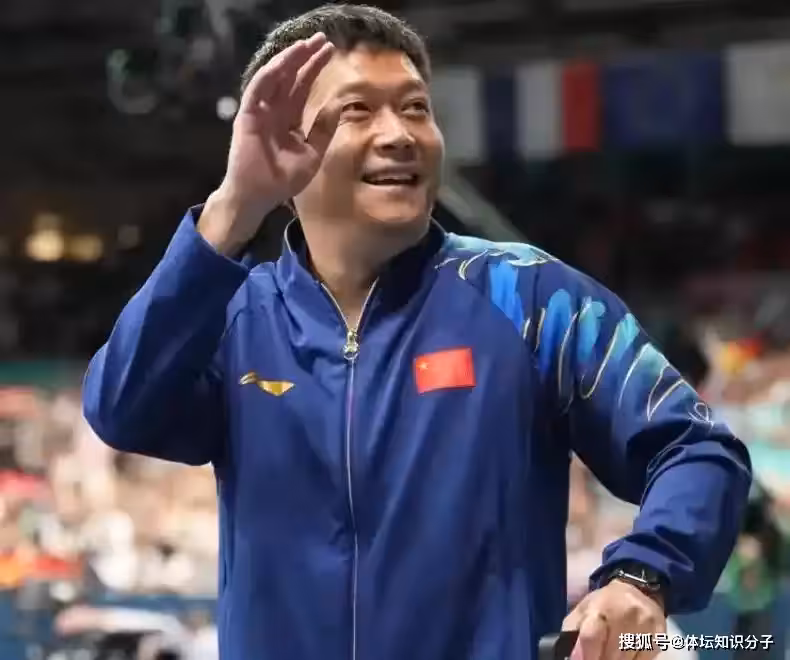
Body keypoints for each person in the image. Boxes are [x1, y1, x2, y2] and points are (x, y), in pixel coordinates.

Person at [82, 4, 752, 660]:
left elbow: (694, 448)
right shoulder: (232, 318)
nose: (399, 133)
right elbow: (122, 408)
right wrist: (235, 204)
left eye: (415, 108)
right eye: (357, 110)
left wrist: (643, 576)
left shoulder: (530, 299)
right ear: (284, 145)